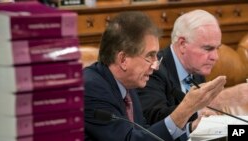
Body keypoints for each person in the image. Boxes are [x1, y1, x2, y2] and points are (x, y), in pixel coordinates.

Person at [84, 11, 226, 141]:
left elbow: (146, 133)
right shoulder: (91, 88)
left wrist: (190, 128)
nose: (155, 65)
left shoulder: (128, 85)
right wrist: (187, 108)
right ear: (123, 60)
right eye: (150, 56)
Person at [137, 9, 226, 139]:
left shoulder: (196, 69)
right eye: (208, 49)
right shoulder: (153, 70)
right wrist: (197, 110)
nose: (215, 57)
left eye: (217, 48)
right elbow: (155, 121)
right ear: (183, 44)